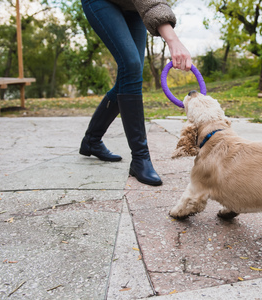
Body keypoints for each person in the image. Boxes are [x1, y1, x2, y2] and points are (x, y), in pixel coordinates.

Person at [79, 0, 192, 186]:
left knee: (130, 76)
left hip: (134, 8)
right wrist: (173, 40)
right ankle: (140, 158)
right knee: (131, 66)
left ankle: (91, 140)